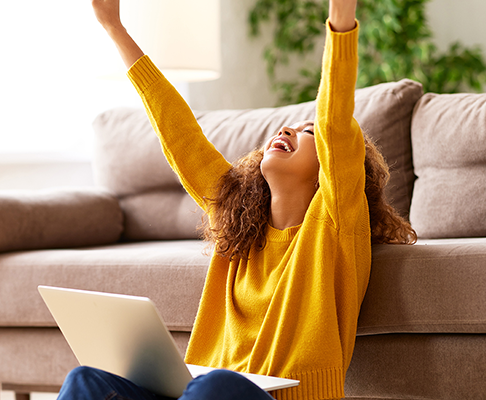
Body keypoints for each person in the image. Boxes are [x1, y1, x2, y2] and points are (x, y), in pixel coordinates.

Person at [58, 0, 417, 399]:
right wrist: (114, 28)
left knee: (218, 385)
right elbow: (179, 133)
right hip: (199, 391)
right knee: (85, 380)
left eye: (308, 133)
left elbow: (335, 119)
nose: (289, 130)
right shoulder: (236, 214)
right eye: (292, 127)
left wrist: (341, 18)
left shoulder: (337, 223)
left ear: (328, 167)